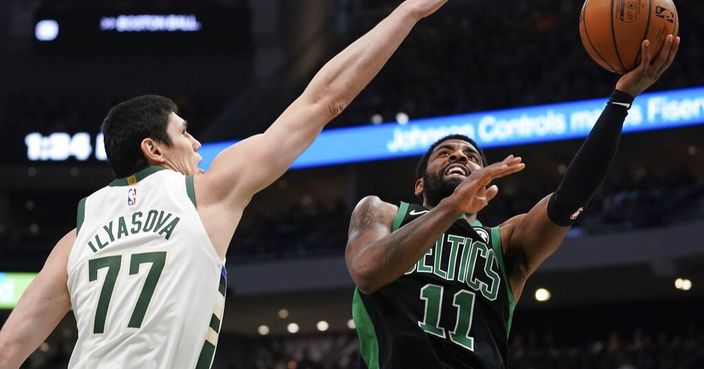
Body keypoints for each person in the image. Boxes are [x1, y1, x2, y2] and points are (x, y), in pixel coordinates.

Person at [0, 1, 450, 368]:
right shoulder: (203, 193)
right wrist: (406, 12)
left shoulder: (75, 237)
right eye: (184, 133)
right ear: (155, 150)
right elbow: (323, 101)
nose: (197, 145)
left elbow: (8, 348)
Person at [345, 35, 680, 369]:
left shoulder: (504, 244)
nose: (459, 156)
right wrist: (451, 208)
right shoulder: (382, 211)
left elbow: (569, 200)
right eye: (445, 153)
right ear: (419, 184)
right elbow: (367, 272)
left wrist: (621, 99)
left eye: (471, 156)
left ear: (486, 180)